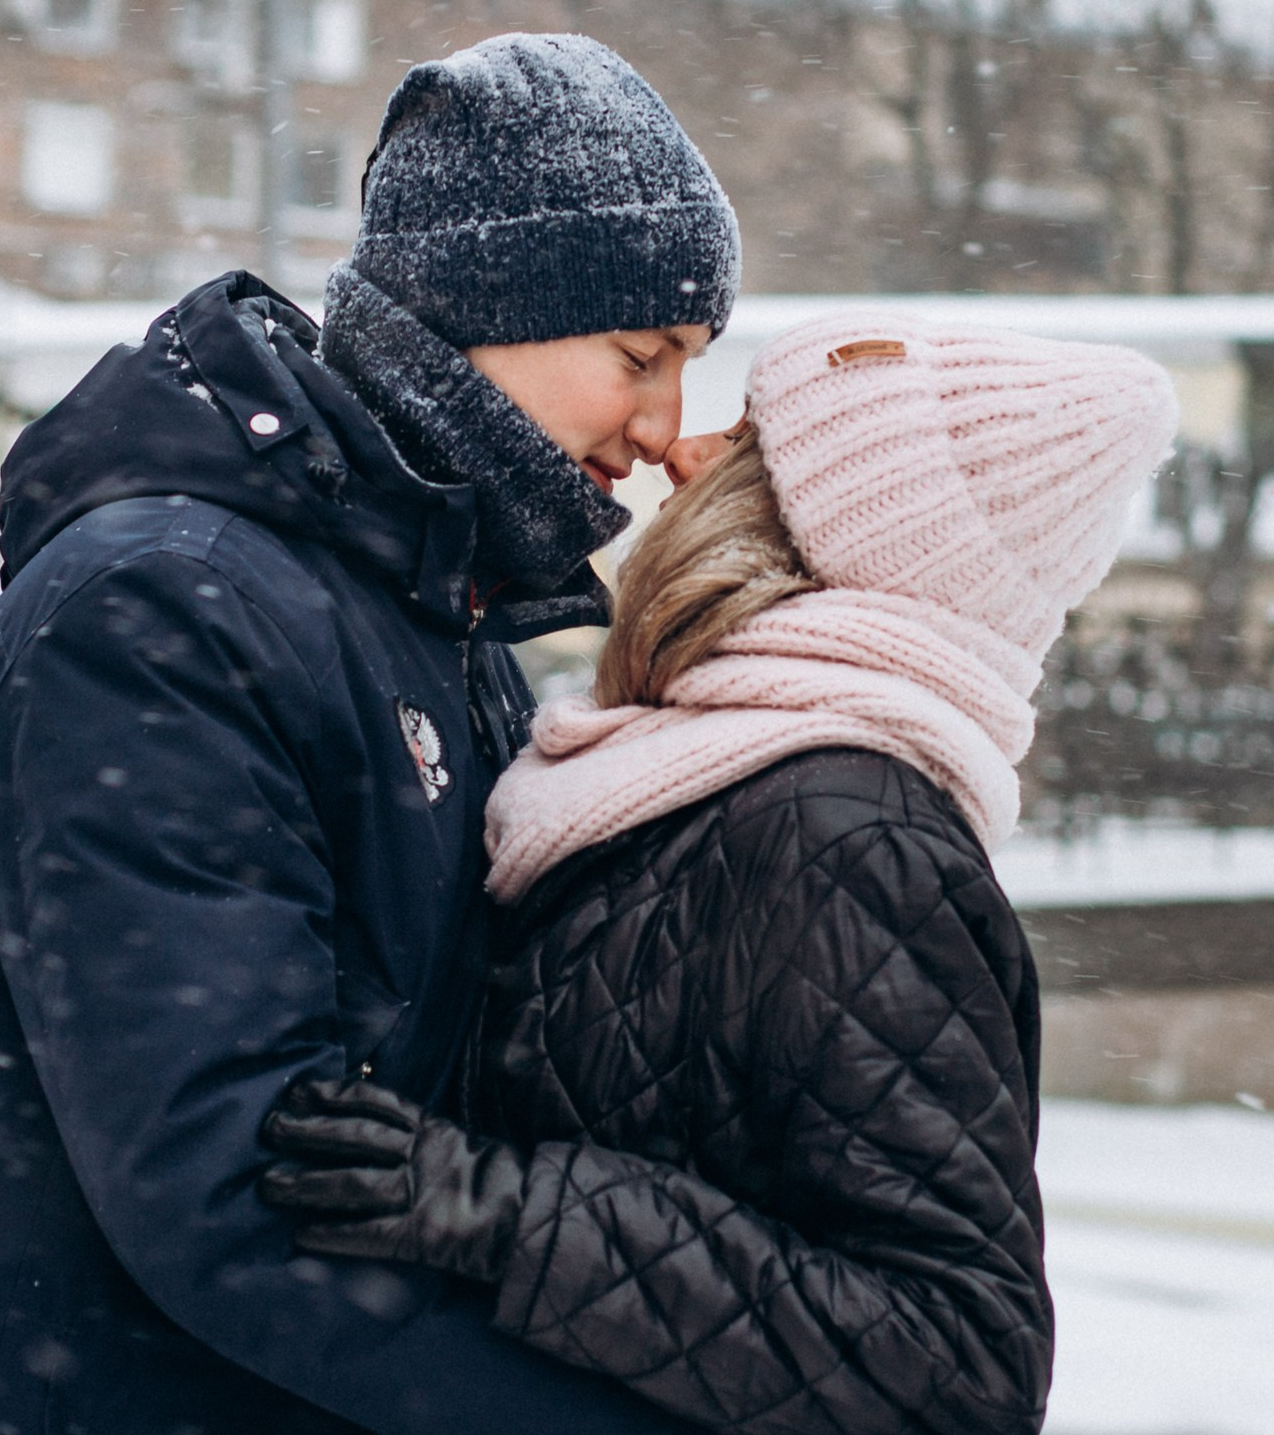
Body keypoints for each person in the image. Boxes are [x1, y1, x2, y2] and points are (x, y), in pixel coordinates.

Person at [0, 34, 739, 1434]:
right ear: (488, 308)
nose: (664, 427)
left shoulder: (420, 618)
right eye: (640, 356)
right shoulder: (163, 613)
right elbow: (235, 1188)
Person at [262, 312, 1178, 1435]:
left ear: (811, 531)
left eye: (746, 442)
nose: (682, 454)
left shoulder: (848, 837)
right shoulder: (680, 776)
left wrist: (511, 1216)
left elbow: (958, 1364)